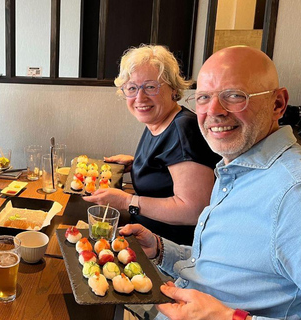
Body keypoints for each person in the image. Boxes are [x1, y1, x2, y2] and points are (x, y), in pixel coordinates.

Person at [121, 46, 299, 320]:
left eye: (234, 95)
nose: (213, 110)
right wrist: (160, 249)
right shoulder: (235, 168)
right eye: (204, 97)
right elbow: (222, 265)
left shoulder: (292, 192)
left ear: (278, 104)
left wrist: (230, 318)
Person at [84, 45, 220, 244]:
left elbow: (194, 210)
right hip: (145, 235)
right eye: (132, 88)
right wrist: (139, 163)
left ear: (173, 89)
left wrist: (126, 201)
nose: (140, 98)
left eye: (150, 87)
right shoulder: (158, 122)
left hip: (170, 251)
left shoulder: (184, 130)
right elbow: (169, 169)